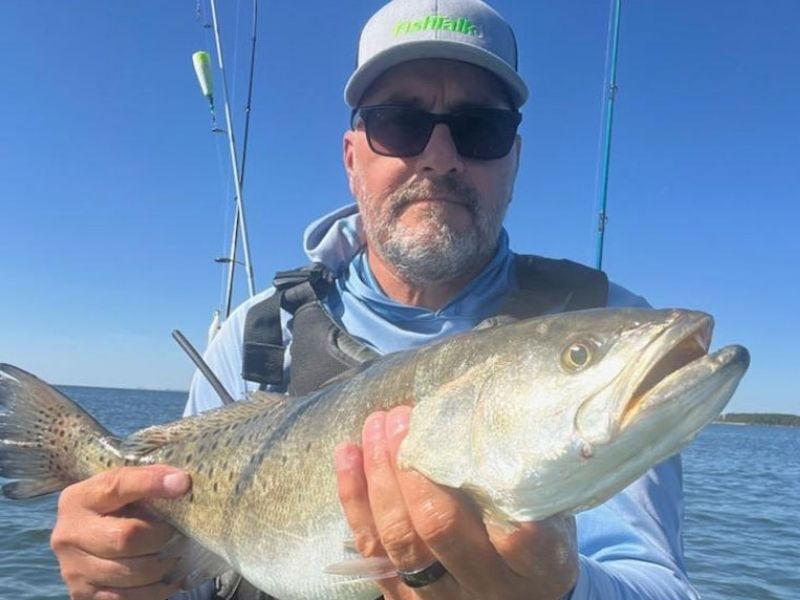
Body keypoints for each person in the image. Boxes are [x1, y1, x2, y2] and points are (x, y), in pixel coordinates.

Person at [49, 1, 699, 599]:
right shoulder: (253, 335)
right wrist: (123, 573)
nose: (440, 156)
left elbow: (658, 581)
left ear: (516, 160)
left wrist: (561, 592)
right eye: (401, 123)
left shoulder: (600, 314)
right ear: (352, 157)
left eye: (480, 128)